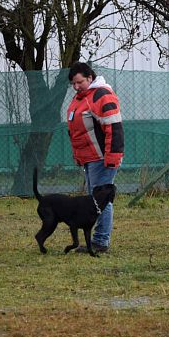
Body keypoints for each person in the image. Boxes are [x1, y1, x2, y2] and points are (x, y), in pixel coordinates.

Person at [66, 62, 124, 253]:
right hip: (90, 158)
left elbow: (114, 128)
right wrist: (78, 156)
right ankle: (98, 239)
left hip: (102, 158)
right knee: (95, 199)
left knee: (101, 200)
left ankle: (100, 241)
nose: (76, 87)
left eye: (79, 82)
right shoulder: (81, 97)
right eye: (73, 84)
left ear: (89, 78)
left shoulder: (101, 95)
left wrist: (113, 157)